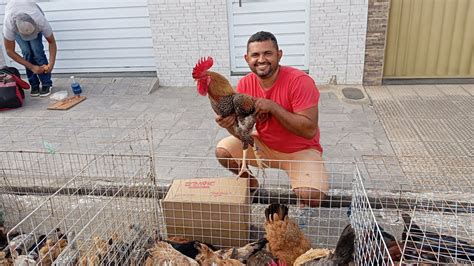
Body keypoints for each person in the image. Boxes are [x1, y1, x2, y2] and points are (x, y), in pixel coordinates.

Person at [215, 31, 329, 207]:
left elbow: (309, 130)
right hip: (264, 147)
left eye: (267, 53)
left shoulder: (299, 81)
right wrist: (229, 125)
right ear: (247, 59)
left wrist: (274, 107)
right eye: (255, 55)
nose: (261, 59)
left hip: (300, 150)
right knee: (223, 151)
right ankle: (251, 184)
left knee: (311, 196)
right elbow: (243, 132)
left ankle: (304, 193)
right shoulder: (245, 84)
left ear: (279, 55)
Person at [3, 0, 56, 97]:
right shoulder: (9, 23)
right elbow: (9, 51)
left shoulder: (39, 20)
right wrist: (32, 67)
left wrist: (51, 64)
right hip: (16, 23)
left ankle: (46, 83)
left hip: (32, 18)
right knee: (26, 52)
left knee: (37, 51)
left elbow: (52, 42)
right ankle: (34, 85)